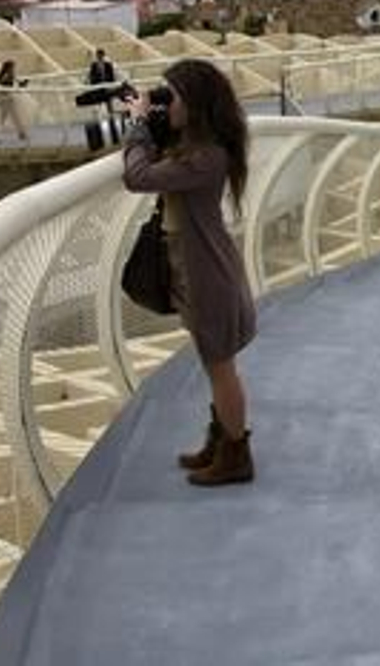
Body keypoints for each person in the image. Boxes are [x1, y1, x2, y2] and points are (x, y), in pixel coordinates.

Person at [122, 58, 258, 487]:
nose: (168, 105)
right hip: (198, 271)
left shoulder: (206, 156)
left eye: (172, 97)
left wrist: (139, 127)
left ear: (195, 104)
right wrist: (157, 128)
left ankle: (235, 456)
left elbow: (137, 177)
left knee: (220, 368)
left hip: (206, 276)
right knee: (214, 362)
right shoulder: (199, 148)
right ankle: (221, 442)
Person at [86, 47, 121, 145]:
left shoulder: (108, 65)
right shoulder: (93, 65)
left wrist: (111, 87)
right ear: (97, 56)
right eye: (98, 55)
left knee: (110, 109)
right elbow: (92, 78)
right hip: (99, 90)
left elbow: (112, 77)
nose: (100, 57)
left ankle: (114, 134)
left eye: (101, 55)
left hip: (107, 90)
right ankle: (103, 128)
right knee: (99, 109)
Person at [0, 59, 30, 143]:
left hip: (8, 98)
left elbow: (20, 84)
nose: (13, 69)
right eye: (12, 67)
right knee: (4, 118)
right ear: (8, 68)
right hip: (3, 98)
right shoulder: (6, 75)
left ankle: (21, 133)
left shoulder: (11, 75)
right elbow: (2, 83)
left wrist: (25, 82)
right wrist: (10, 79)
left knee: (14, 116)